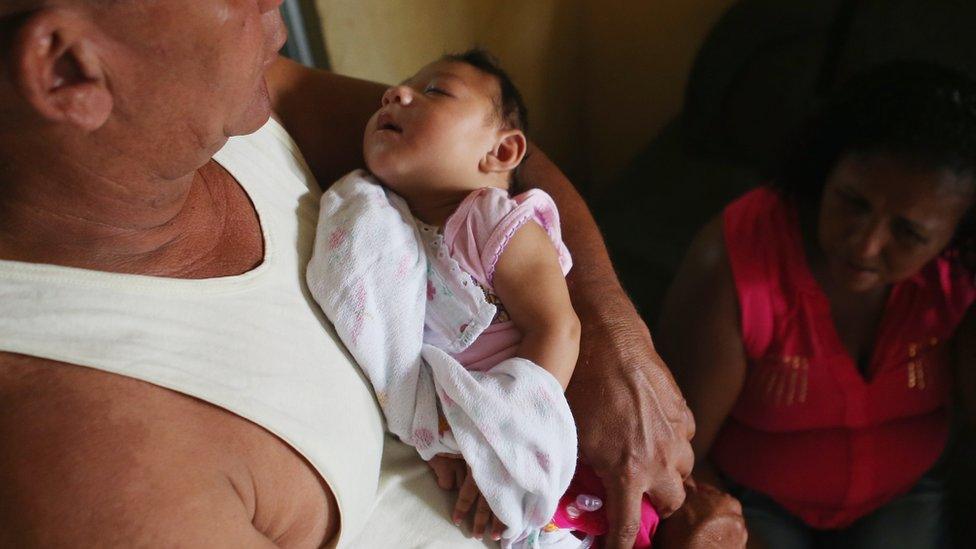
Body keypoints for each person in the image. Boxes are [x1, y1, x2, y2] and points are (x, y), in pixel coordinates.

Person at [0, 1, 711, 547]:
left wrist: (614, 339)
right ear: (67, 69)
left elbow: (494, 167)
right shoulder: (92, 470)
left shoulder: (239, 90)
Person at [657, 61, 976, 548]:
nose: (865, 246)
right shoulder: (733, 262)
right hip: (756, 500)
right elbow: (677, 457)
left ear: (956, 235)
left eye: (909, 233)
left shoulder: (961, 274)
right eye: (852, 201)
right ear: (826, 169)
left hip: (905, 494)